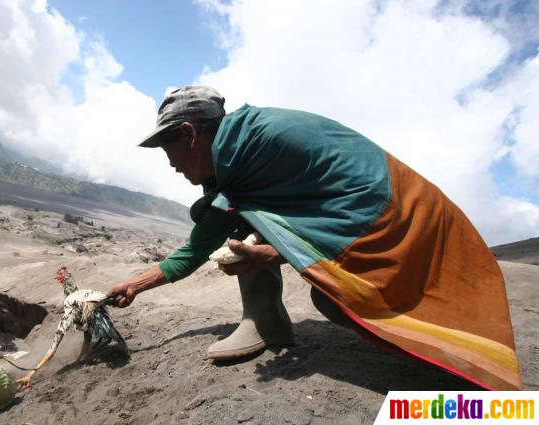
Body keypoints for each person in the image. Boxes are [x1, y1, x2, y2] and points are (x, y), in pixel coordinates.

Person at [106, 86, 521, 390]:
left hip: (407, 219)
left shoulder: (269, 138)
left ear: (189, 134)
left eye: (167, 151)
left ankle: (460, 391)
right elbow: (200, 244)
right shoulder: (232, 167)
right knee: (243, 224)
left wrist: (277, 251)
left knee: (336, 297)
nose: (171, 165)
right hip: (374, 216)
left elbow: (365, 200)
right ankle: (265, 323)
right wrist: (136, 286)